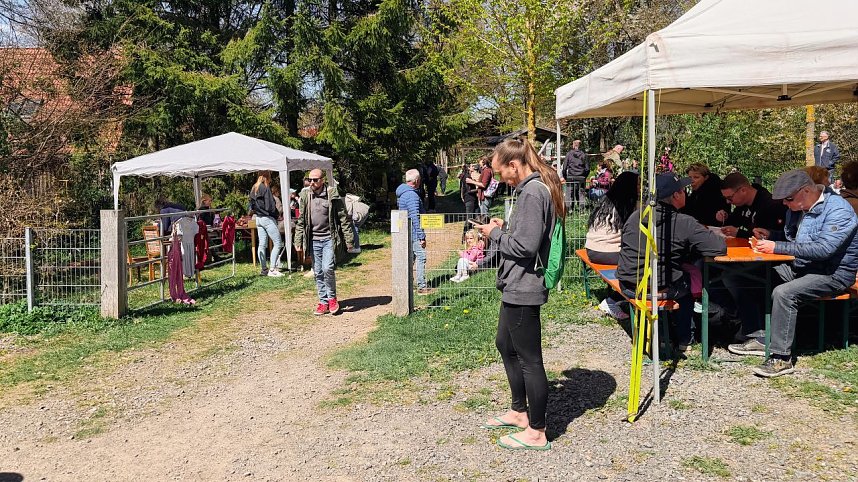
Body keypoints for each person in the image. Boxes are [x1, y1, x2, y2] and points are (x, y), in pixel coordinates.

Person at [472, 138, 564, 451]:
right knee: (505, 344)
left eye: (501, 173)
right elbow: (526, 236)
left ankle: (536, 432)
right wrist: (505, 227)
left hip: (524, 286)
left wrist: (495, 233)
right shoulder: (529, 190)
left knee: (530, 359)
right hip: (515, 283)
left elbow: (525, 247)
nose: (500, 179)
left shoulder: (533, 192)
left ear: (514, 165)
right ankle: (518, 411)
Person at [730, 170, 858, 377]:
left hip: (833, 273)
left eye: (788, 199)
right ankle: (759, 336)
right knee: (741, 276)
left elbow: (824, 249)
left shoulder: (838, 210)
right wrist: (771, 235)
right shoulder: (797, 207)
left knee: (784, 293)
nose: (784, 204)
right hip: (803, 266)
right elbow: (794, 241)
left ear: (806, 191)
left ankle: (781, 358)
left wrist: (776, 246)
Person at [617, 173, 727, 352]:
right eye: (683, 191)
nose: (686, 194)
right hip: (655, 288)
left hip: (628, 284)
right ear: (676, 195)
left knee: (675, 274)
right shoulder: (683, 222)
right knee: (687, 282)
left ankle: (663, 334)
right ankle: (685, 338)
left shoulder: (636, 216)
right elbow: (719, 247)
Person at [294, 169, 355, 315]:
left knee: (327, 268)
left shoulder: (332, 194)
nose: (312, 183)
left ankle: (332, 299)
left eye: (315, 180)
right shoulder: (305, 195)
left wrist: (349, 240)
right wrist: (298, 240)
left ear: (323, 180)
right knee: (318, 271)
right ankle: (323, 302)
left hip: (329, 239)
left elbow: (343, 218)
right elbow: (301, 220)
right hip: (313, 240)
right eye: (310, 180)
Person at [585, 171, 639, 320]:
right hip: (609, 253)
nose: (640, 188)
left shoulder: (606, 201)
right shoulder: (630, 205)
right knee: (640, 263)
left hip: (592, 250)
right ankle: (613, 300)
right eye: (638, 184)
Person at [715, 173, 787, 239]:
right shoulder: (742, 204)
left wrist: (739, 233)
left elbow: (769, 236)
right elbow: (734, 222)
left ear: (743, 190)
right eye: (725, 198)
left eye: (730, 198)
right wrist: (724, 218)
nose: (727, 202)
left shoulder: (771, 205)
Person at [396, 169, 429, 295]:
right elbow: (415, 216)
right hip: (414, 233)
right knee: (421, 257)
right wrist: (421, 236)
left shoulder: (403, 193)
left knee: (411, 258)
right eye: (419, 179)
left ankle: (408, 284)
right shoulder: (412, 195)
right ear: (416, 180)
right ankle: (422, 286)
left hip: (406, 232)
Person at [249, 172, 284, 277]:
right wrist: (276, 214)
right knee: (278, 243)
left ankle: (264, 269)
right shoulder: (265, 187)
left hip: (258, 218)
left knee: (262, 245)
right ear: (267, 177)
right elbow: (270, 206)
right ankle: (272, 269)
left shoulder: (254, 188)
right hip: (267, 218)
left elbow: (251, 206)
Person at [681, 162, 730, 226]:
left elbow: (698, 214)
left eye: (696, 177)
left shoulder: (715, 192)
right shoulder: (697, 191)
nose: (692, 181)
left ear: (706, 177)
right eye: (690, 177)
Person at [561, 139, 589, 208]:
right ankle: (581, 210)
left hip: (571, 177)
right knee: (581, 194)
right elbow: (587, 169)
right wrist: (584, 176)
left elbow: (564, 168)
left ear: (573, 145)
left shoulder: (569, 154)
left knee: (569, 194)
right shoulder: (584, 155)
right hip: (581, 177)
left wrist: (565, 177)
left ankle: (569, 209)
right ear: (580, 146)